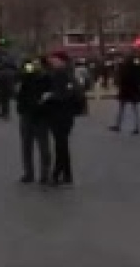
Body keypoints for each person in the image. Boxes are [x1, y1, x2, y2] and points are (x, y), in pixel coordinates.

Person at [42, 52, 82, 187]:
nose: (51, 61)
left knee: (60, 145)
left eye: (54, 59)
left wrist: (49, 96)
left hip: (60, 114)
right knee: (62, 145)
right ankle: (67, 175)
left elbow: (63, 94)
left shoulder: (61, 73)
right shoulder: (68, 73)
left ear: (61, 61)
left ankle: (56, 175)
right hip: (65, 114)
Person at [15, 58, 51, 185]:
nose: (34, 67)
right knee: (26, 146)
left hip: (41, 116)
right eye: (31, 65)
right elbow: (19, 94)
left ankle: (44, 174)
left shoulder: (46, 78)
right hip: (27, 115)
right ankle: (29, 173)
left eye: (37, 64)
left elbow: (49, 95)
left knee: (43, 147)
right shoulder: (25, 78)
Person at [109, 56, 140, 135]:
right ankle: (137, 127)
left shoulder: (125, 69)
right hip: (133, 91)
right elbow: (139, 79)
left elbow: (122, 80)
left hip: (126, 91)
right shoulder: (136, 68)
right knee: (135, 110)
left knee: (122, 109)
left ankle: (118, 125)